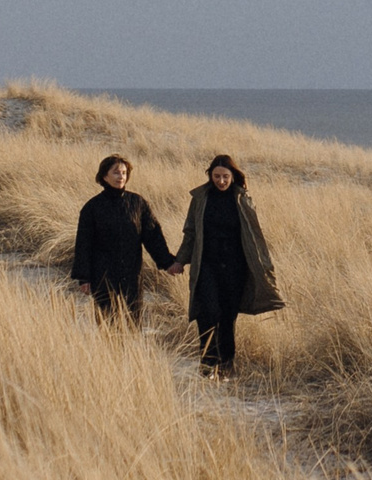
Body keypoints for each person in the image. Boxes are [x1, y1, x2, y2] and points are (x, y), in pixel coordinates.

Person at [173, 154, 281, 376]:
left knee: (228, 316)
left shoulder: (242, 199)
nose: (221, 181)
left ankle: (226, 364)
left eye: (225, 177)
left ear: (233, 176)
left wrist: (264, 268)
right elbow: (190, 233)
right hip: (206, 266)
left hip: (235, 267)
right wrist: (180, 260)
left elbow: (255, 237)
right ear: (210, 175)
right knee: (207, 312)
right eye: (216, 176)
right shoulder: (200, 198)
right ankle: (207, 364)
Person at [69, 155, 175, 327]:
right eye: (116, 173)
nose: (121, 177)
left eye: (124, 173)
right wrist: (84, 277)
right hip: (103, 274)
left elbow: (152, 235)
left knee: (133, 323)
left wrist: (167, 262)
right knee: (107, 324)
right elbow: (83, 244)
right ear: (104, 176)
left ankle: (131, 353)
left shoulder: (138, 202)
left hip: (132, 273)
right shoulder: (92, 207)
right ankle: (109, 354)